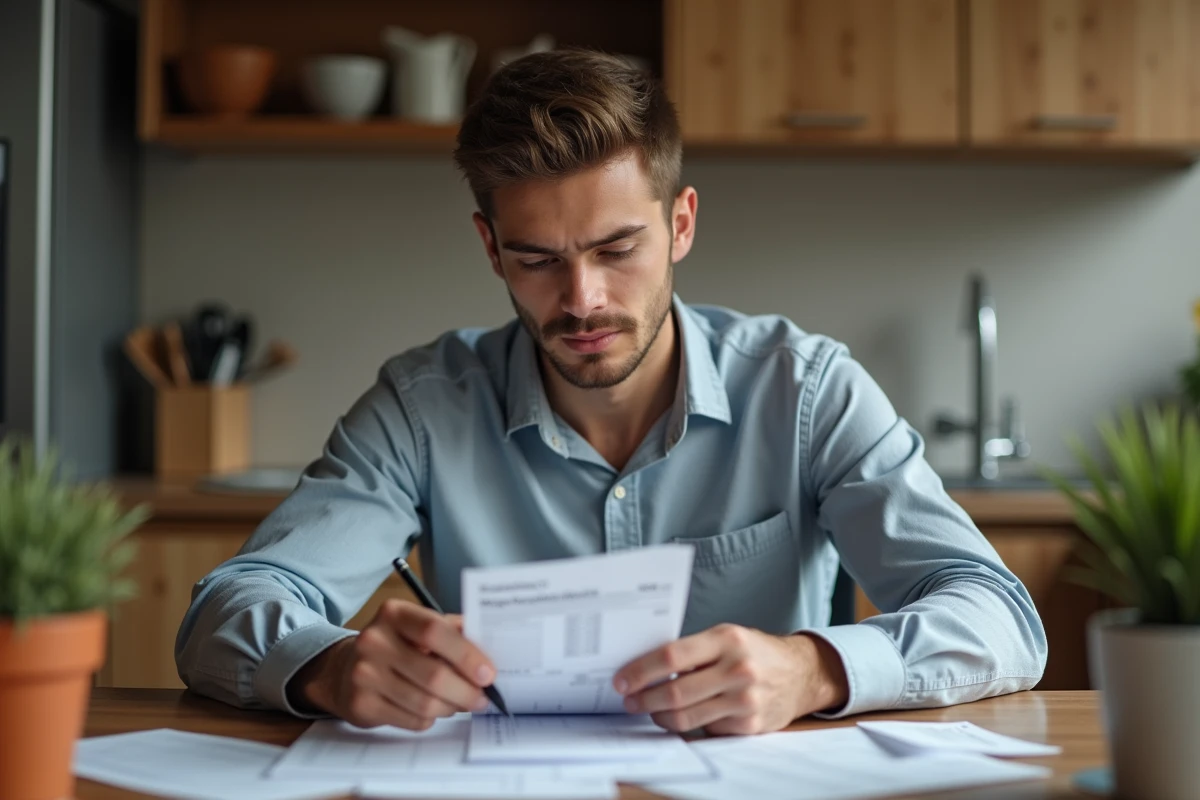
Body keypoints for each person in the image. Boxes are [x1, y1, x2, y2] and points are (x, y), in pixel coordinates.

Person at [176, 49, 1046, 735]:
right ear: (490, 248)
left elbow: (1000, 617)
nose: (582, 298)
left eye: (617, 249)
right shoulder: (422, 406)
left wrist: (813, 669)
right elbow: (228, 608)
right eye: (538, 260)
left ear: (681, 225)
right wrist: (329, 667)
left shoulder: (805, 388)